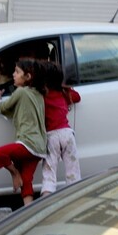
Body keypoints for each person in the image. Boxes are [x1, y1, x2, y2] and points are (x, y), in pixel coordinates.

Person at [0, 58, 47, 206]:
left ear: (27, 77)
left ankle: (15, 174)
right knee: (26, 180)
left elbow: (2, 108)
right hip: (40, 148)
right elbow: (17, 112)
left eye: (17, 72)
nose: (13, 74)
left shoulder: (21, 92)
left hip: (27, 143)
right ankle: (28, 211)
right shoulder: (38, 94)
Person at [39, 60, 81, 197]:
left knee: (49, 171)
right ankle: (75, 197)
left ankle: (46, 196)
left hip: (51, 136)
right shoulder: (63, 93)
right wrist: (66, 87)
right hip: (67, 134)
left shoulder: (41, 96)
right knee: (72, 170)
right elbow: (77, 97)